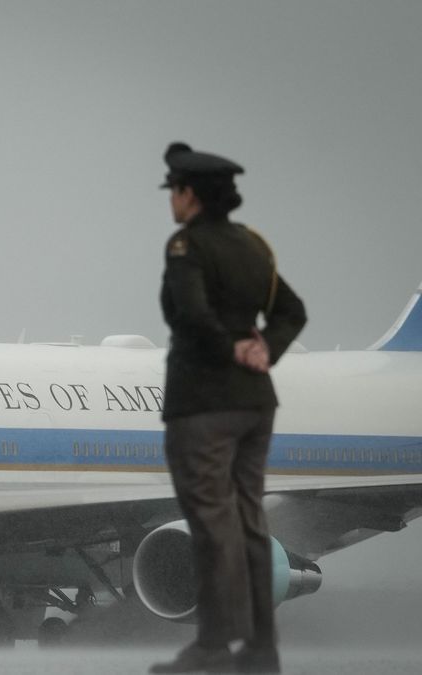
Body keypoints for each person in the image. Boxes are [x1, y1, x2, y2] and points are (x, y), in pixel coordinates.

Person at [150, 142, 307, 674]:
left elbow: (190, 314)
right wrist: (264, 350)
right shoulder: (252, 247)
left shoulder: (187, 248)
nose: (172, 199)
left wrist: (225, 349)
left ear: (191, 195)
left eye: (175, 190)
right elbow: (292, 311)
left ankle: (212, 648)